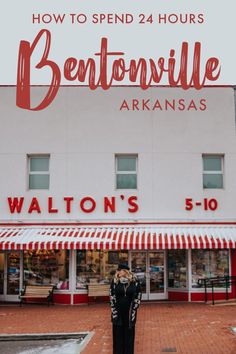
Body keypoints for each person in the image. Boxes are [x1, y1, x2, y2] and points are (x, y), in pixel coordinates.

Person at [110, 263, 142, 354]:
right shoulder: (115, 281)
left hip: (129, 313)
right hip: (118, 313)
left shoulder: (134, 281)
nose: (118, 272)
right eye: (118, 270)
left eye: (120, 270)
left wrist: (135, 308)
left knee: (129, 336)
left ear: (125, 271)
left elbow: (138, 295)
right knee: (118, 336)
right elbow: (111, 296)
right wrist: (114, 310)